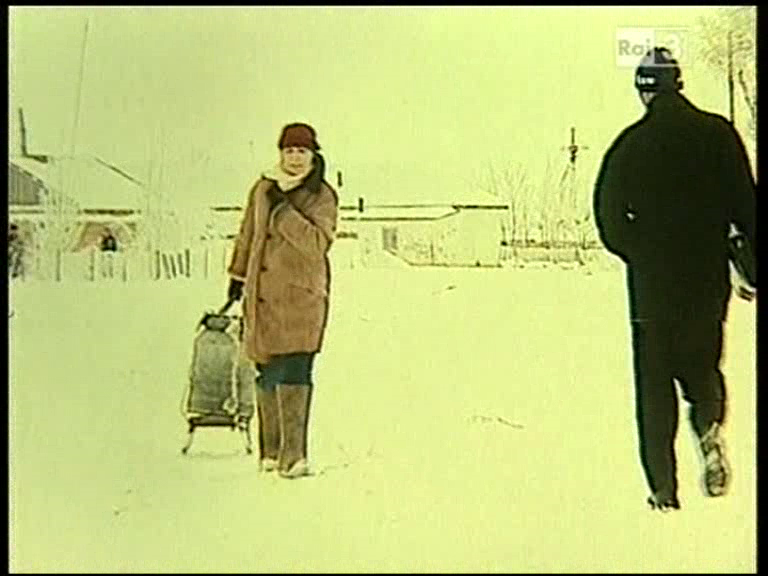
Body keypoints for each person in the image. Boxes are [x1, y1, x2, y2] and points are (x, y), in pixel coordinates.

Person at [593, 48, 756, 512]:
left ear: (644, 92)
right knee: (703, 364)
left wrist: (638, 251)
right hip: (706, 277)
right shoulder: (718, 135)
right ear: (679, 84)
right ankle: (708, 425)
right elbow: (748, 205)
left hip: (652, 287)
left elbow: (607, 217)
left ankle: (663, 490)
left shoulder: (629, 146)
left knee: (654, 384)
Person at [227, 122, 339, 478]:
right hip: (262, 297)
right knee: (267, 369)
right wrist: (237, 276)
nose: (294, 158)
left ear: (313, 155)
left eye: (301, 151)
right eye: (289, 151)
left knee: (296, 368)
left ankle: (295, 457)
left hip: (301, 298)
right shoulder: (263, 189)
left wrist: (284, 213)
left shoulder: (321, 195)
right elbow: (248, 234)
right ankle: (271, 453)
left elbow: (317, 244)